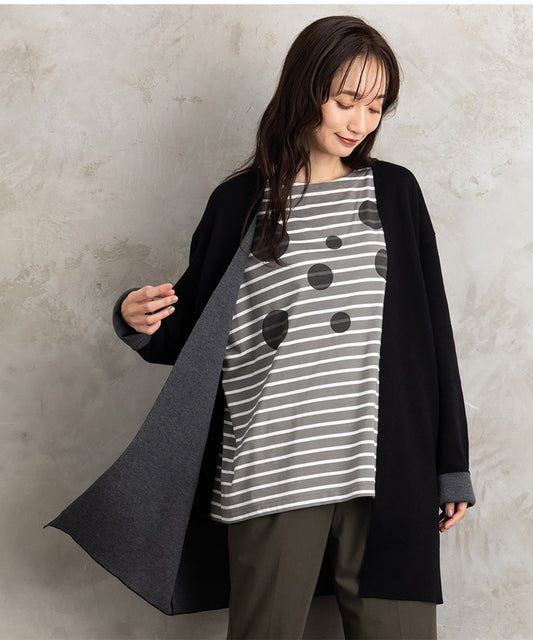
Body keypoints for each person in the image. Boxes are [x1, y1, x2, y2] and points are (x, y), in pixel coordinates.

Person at [47, 14, 476, 640]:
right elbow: (189, 332)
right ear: (305, 91)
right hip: (272, 467)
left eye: (376, 106)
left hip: (387, 471)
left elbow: (435, 337)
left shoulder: (396, 194)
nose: (360, 123)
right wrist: (133, 317)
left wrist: (451, 463)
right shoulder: (241, 204)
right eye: (346, 101)